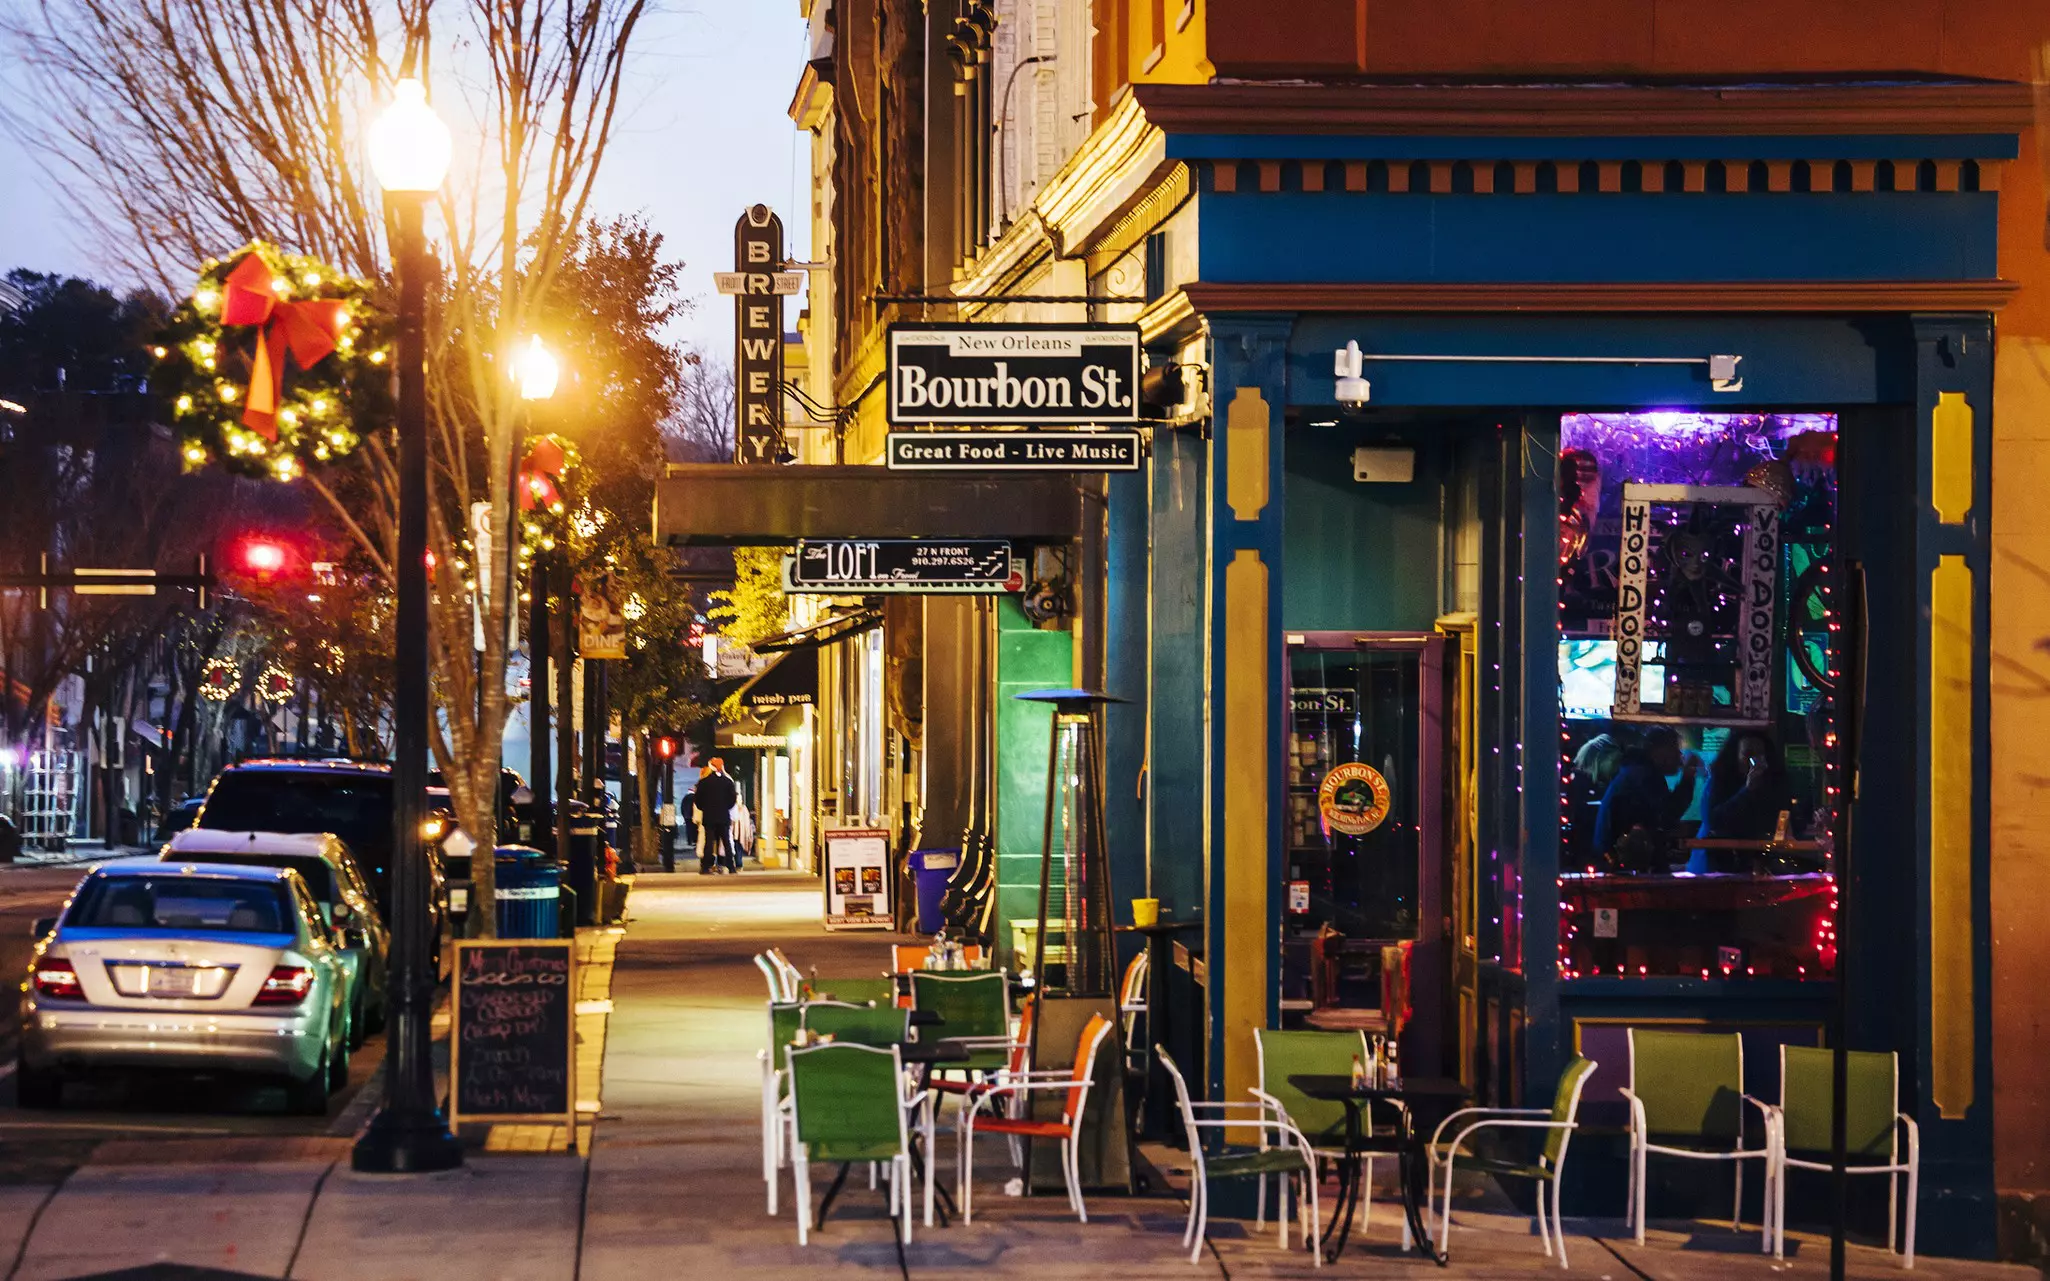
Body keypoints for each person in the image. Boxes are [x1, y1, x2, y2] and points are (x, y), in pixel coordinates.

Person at [1690, 731, 1798, 871]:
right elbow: (1714, 821)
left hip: (1761, 862)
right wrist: (1747, 791)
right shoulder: (1719, 781)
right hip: (1720, 864)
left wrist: (1783, 838)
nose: (1754, 760)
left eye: (1760, 754)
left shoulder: (1775, 782)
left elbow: (1783, 815)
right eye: (1748, 754)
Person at [1592, 726, 1700, 860]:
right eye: (1675, 749)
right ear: (1660, 751)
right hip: (1623, 863)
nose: (1680, 756)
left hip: (1615, 858)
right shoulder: (1645, 776)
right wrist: (1688, 777)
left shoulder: (1636, 771)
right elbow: (1668, 815)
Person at [692, 758, 739, 875]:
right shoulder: (727, 782)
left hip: (709, 816)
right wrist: (725, 807)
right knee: (726, 842)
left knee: (709, 842)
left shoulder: (703, 783)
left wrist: (705, 808)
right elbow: (733, 799)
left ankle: (705, 867)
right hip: (723, 816)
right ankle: (731, 866)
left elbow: (697, 800)